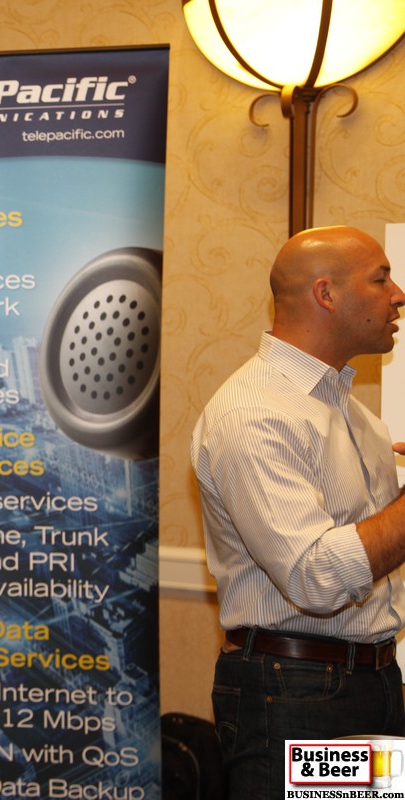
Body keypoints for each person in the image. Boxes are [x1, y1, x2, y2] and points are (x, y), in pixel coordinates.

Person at [191, 225, 405, 799]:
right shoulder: (253, 413)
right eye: (381, 278)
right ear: (326, 293)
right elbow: (316, 578)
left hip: (370, 682)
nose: (398, 295)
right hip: (298, 692)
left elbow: (375, 546)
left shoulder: (354, 416)